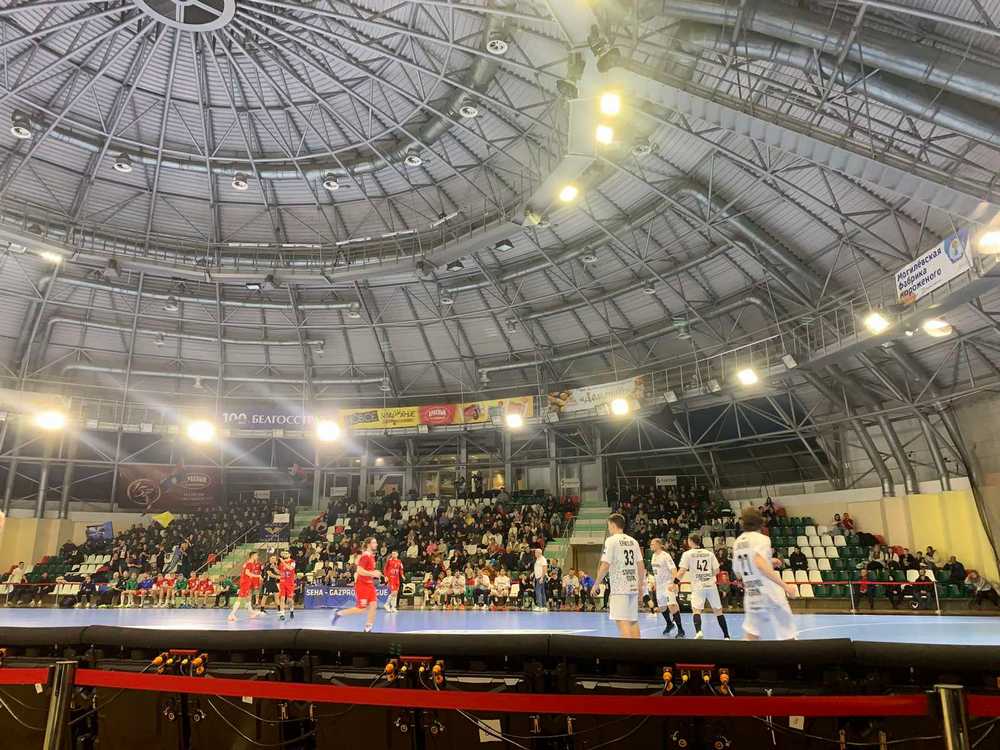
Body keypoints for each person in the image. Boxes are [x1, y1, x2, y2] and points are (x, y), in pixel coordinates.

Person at [731, 507, 797, 640]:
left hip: (752, 592)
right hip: (769, 591)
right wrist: (785, 586)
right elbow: (759, 563)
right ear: (760, 522)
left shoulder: (737, 542)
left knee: (752, 633)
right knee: (787, 631)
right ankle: (792, 653)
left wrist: (769, 561)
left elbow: (739, 572)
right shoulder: (762, 539)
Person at [593, 513, 645, 639]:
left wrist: (596, 584)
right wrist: (640, 586)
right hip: (632, 586)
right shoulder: (633, 541)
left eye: (608, 525)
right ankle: (639, 649)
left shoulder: (611, 541)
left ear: (612, 525)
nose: (608, 528)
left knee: (622, 621)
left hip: (620, 588)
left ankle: (626, 650)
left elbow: (605, 565)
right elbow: (641, 565)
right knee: (633, 621)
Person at [677, 534, 730, 640]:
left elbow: (682, 571)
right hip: (711, 585)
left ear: (691, 541)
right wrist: (708, 575)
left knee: (696, 610)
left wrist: (674, 582)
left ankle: (699, 632)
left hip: (698, 586)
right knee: (718, 611)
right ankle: (726, 636)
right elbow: (717, 570)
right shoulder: (709, 553)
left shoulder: (687, 554)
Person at [330, 537, 384, 632]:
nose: (376, 544)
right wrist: (373, 574)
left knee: (373, 605)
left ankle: (368, 628)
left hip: (369, 584)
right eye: (374, 542)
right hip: (362, 585)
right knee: (361, 609)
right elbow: (359, 570)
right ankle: (338, 613)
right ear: (369, 544)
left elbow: (368, 570)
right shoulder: (365, 556)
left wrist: (376, 573)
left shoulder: (371, 556)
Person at [650, 538, 684, 637]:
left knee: (672, 606)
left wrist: (675, 584)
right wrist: (655, 582)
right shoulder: (653, 556)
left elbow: (674, 569)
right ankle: (669, 624)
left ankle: (681, 630)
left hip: (668, 584)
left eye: (653, 544)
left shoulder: (665, 556)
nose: (651, 546)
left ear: (659, 545)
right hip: (659, 585)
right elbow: (656, 571)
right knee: (662, 607)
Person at [229, 551, 262, 621]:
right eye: (256, 555)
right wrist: (258, 576)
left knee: (248, 598)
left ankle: (252, 612)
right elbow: (247, 573)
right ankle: (231, 615)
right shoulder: (249, 563)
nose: (257, 557)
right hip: (245, 582)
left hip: (246, 581)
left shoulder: (249, 563)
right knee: (240, 598)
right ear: (252, 556)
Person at [277, 550, 297, 621]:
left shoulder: (293, 562)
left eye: (286, 553)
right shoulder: (281, 563)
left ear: (290, 554)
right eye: (284, 553)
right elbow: (280, 572)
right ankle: (282, 614)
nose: (285, 554)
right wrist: (274, 568)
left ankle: (291, 610)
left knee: (289, 600)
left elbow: (290, 568)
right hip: (282, 582)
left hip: (290, 583)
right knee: (282, 598)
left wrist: (282, 561)